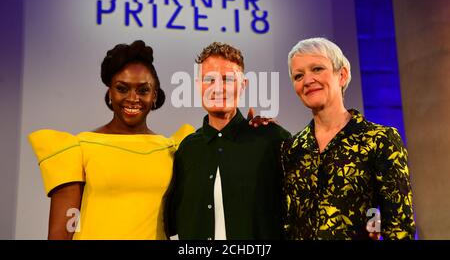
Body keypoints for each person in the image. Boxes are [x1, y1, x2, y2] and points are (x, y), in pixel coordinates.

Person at [28, 40, 194, 239]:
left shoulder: (172, 150)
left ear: (155, 96)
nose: (133, 98)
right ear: (110, 93)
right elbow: (61, 232)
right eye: (122, 88)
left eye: (143, 90)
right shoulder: (80, 147)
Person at [281, 37, 416, 240]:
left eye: (317, 69)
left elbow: (399, 227)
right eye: (298, 76)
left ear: (342, 75)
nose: (307, 80)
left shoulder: (379, 140)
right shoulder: (291, 148)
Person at [164, 42, 291, 240]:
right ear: (198, 85)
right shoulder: (186, 149)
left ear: (243, 85)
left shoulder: (272, 139)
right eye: (209, 79)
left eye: (228, 79)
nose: (218, 88)